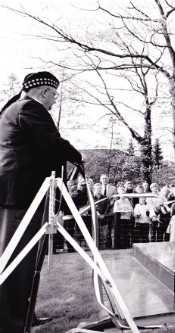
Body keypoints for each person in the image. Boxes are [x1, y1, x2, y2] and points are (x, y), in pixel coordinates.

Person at [0, 72, 82, 333]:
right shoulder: (29, 108)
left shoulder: (16, 108)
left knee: (30, 261)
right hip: (20, 198)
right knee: (17, 261)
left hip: (27, 197)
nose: (54, 102)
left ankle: (24, 315)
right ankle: (10, 323)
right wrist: (76, 155)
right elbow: (53, 143)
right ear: (44, 91)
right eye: (54, 96)